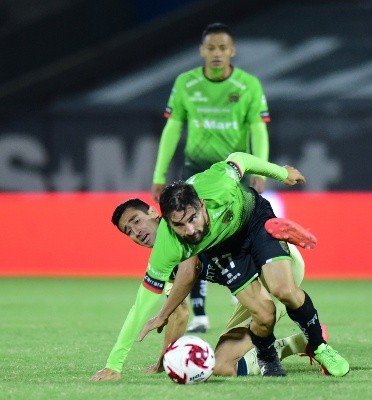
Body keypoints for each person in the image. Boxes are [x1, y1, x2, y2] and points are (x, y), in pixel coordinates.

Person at [138, 152, 350, 377]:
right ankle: (273, 352)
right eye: (129, 232)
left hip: (256, 229)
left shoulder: (219, 187)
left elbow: (240, 159)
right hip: (235, 262)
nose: (189, 230)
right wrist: (159, 334)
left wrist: (281, 173)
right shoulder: (171, 251)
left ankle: (319, 347)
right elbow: (180, 297)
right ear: (170, 224)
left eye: (137, 222)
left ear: (202, 205)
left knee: (284, 290)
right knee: (233, 352)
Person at [91, 198, 319, 380]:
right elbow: (177, 314)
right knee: (221, 362)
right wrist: (164, 361)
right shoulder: (164, 261)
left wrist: (114, 364)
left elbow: (190, 267)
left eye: (136, 221)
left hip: (274, 268)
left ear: (152, 212)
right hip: (251, 285)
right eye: (128, 231)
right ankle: (301, 343)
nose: (136, 231)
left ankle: (307, 344)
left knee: (223, 365)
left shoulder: (181, 226)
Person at [151, 22, 273, 334]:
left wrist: (260, 168)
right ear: (201, 51)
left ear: (232, 51)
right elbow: (173, 127)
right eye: (211, 48)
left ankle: (243, 294)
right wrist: (159, 173)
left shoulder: (248, 85)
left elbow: (258, 129)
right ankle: (200, 314)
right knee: (192, 242)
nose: (217, 53)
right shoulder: (186, 83)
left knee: (235, 235)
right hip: (195, 171)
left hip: (231, 173)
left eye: (222, 48)